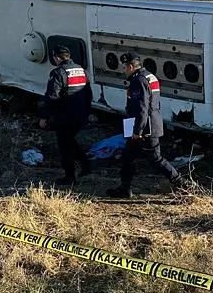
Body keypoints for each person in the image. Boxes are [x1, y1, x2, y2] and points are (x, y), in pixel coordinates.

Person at [107, 52, 181, 198]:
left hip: (145, 128)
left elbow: (142, 108)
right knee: (128, 157)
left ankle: (182, 184)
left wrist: (137, 130)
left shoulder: (138, 81)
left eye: (124, 67)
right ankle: (125, 189)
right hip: (147, 124)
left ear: (130, 66)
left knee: (156, 159)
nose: (123, 71)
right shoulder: (149, 76)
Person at [39, 45, 92, 186]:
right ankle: (85, 163)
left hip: (65, 117)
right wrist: (87, 112)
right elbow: (88, 94)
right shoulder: (81, 70)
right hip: (80, 114)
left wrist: (44, 117)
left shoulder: (58, 73)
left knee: (64, 147)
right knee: (71, 141)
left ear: (57, 57)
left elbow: (52, 97)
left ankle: (70, 176)